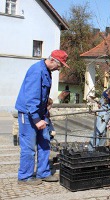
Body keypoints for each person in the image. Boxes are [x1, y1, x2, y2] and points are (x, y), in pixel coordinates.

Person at [15, 50, 70, 185]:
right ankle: (24, 177)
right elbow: (31, 98)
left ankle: (43, 172)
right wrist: (36, 119)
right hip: (29, 114)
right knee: (29, 147)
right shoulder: (37, 71)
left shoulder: (46, 71)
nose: (60, 68)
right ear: (52, 60)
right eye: (60, 65)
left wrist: (45, 113)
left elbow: (43, 96)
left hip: (40, 113)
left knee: (45, 142)